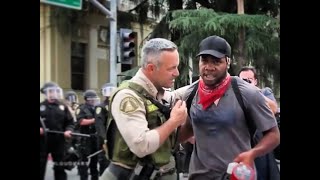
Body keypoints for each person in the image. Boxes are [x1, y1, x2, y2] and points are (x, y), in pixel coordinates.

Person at [173, 35, 280, 180]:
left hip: (236, 175)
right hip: (198, 176)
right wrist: (166, 135)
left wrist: (252, 154)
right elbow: (190, 128)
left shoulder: (246, 93)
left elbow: (274, 135)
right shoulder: (191, 93)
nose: (209, 67)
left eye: (216, 61)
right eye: (204, 60)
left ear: (228, 62)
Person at [100, 38, 188, 180]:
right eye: (171, 68)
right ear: (151, 68)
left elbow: (175, 95)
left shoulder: (154, 91)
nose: (177, 73)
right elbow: (141, 146)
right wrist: (174, 122)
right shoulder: (128, 97)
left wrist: (207, 80)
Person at [40, 82, 75, 180]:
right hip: (42, 141)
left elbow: (70, 122)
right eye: (50, 91)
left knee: (60, 167)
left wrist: (68, 130)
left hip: (59, 141)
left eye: (55, 91)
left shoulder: (63, 107)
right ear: (45, 93)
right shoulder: (40, 107)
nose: (53, 94)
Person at [76, 90, 101, 180]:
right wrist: (94, 120)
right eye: (93, 99)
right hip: (84, 138)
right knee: (83, 161)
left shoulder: (96, 108)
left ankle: (94, 177)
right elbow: (81, 121)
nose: (94, 101)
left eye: (95, 99)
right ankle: (84, 177)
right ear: (88, 99)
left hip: (94, 137)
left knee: (94, 160)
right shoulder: (81, 108)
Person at [94, 83, 117, 175]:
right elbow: (100, 125)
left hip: (116, 137)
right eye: (108, 91)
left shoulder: (116, 104)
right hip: (106, 139)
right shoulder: (101, 107)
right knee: (105, 162)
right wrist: (104, 139)